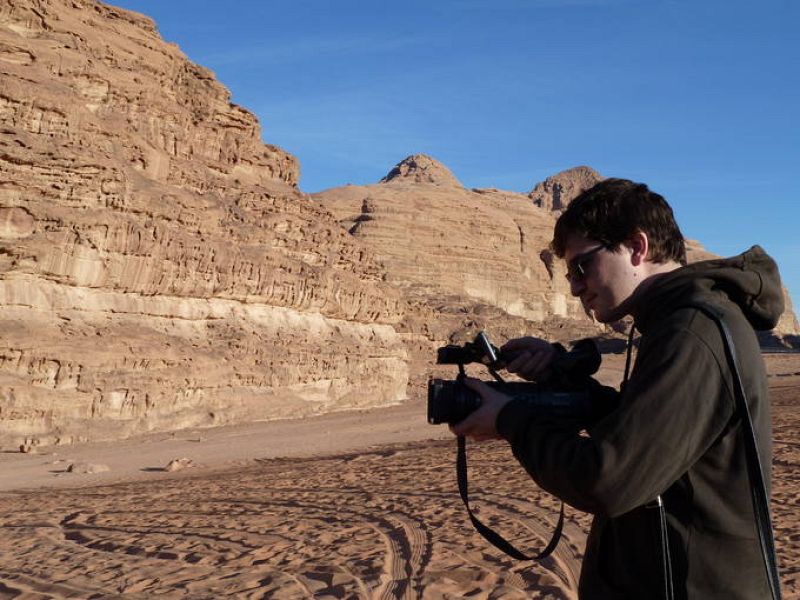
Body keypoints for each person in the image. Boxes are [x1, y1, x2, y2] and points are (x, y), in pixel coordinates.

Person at [451, 178, 784, 599]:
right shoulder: (674, 324)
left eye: (581, 266)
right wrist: (559, 377)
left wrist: (509, 419)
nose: (573, 285)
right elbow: (648, 432)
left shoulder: (692, 332)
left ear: (637, 247)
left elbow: (607, 480)